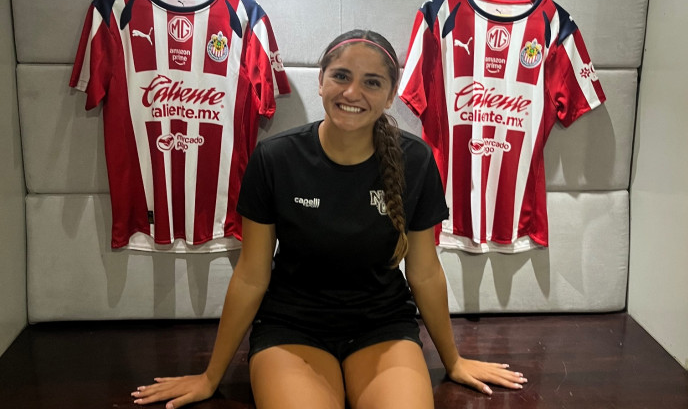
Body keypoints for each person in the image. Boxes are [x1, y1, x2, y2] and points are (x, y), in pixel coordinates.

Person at [131, 29, 527, 409]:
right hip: (292, 328)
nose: (352, 92)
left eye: (372, 82)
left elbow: (424, 272)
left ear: (391, 96)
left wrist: (453, 361)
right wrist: (210, 377)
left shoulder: (416, 161)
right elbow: (251, 275)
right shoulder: (275, 159)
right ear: (320, 82)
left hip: (382, 327)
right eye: (341, 76)